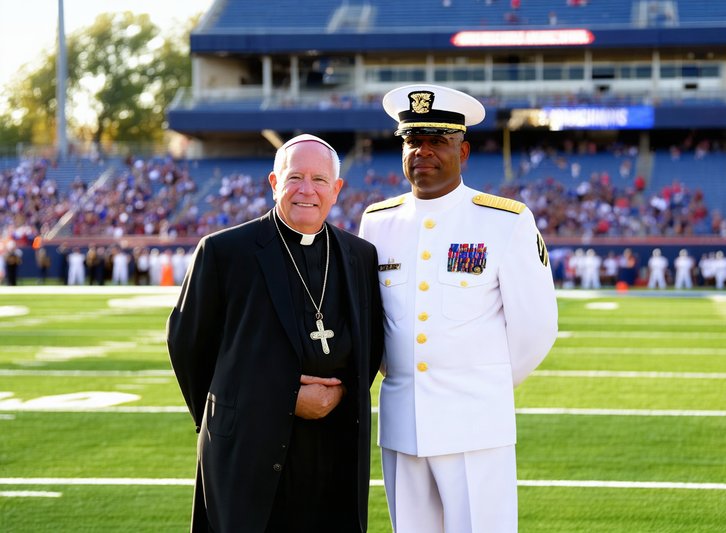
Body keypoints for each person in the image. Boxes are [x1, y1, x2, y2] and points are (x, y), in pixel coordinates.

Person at [359, 84, 558, 533]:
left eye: (437, 141)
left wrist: (481, 384)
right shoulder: (377, 222)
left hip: (475, 425)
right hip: (403, 423)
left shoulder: (504, 220)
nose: (422, 151)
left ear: (463, 151)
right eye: (413, 140)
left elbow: (537, 326)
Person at [167, 134, 384, 533]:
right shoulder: (223, 252)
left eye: (319, 180)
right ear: (273, 183)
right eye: (295, 177)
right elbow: (189, 348)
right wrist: (268, 403)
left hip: (332, 449)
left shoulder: (360, 256)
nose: (307, 190)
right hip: (248, 447)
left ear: (336, 189)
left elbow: (370, 347)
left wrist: (339, 392)